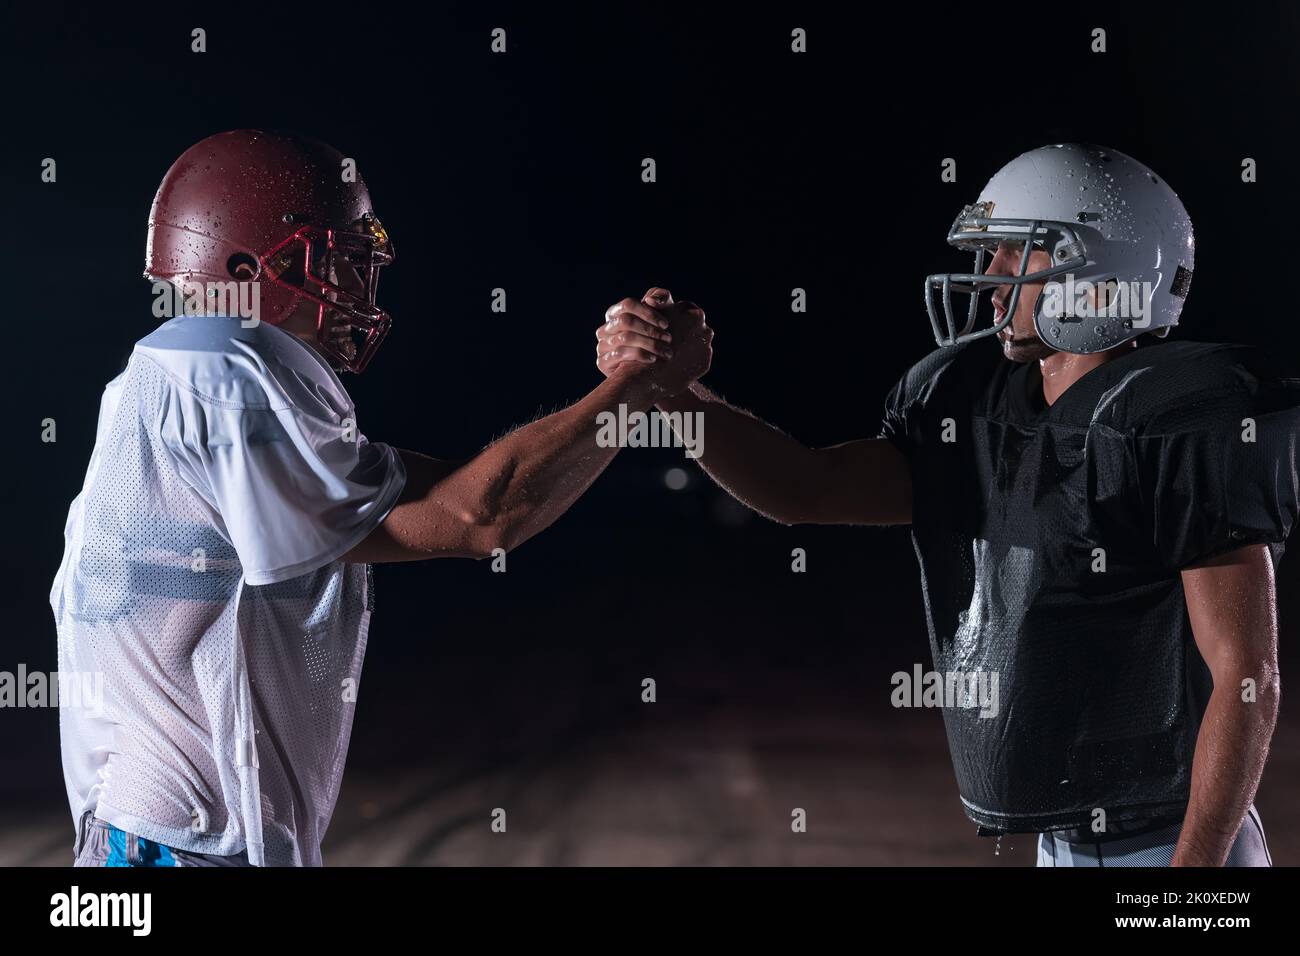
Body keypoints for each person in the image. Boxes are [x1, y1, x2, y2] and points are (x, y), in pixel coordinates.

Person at [596, 144, 1299, 866]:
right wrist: (670, 391)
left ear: (1106, 270)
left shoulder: (1175, 420)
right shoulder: (975, 409)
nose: (990, 278)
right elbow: (800, 488)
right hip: (1063, 843)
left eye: (1013, 253)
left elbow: (1248, 673)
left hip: (1172, 843)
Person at [50, 129, 710, 867]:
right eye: (335, 265)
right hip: (182, 845)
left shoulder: (182, 370)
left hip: (166, 835)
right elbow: (479, 518)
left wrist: (623, 394)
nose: (358, 292)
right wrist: (635, 383)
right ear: (247, 266)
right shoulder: (220, 366)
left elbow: (471, 490)